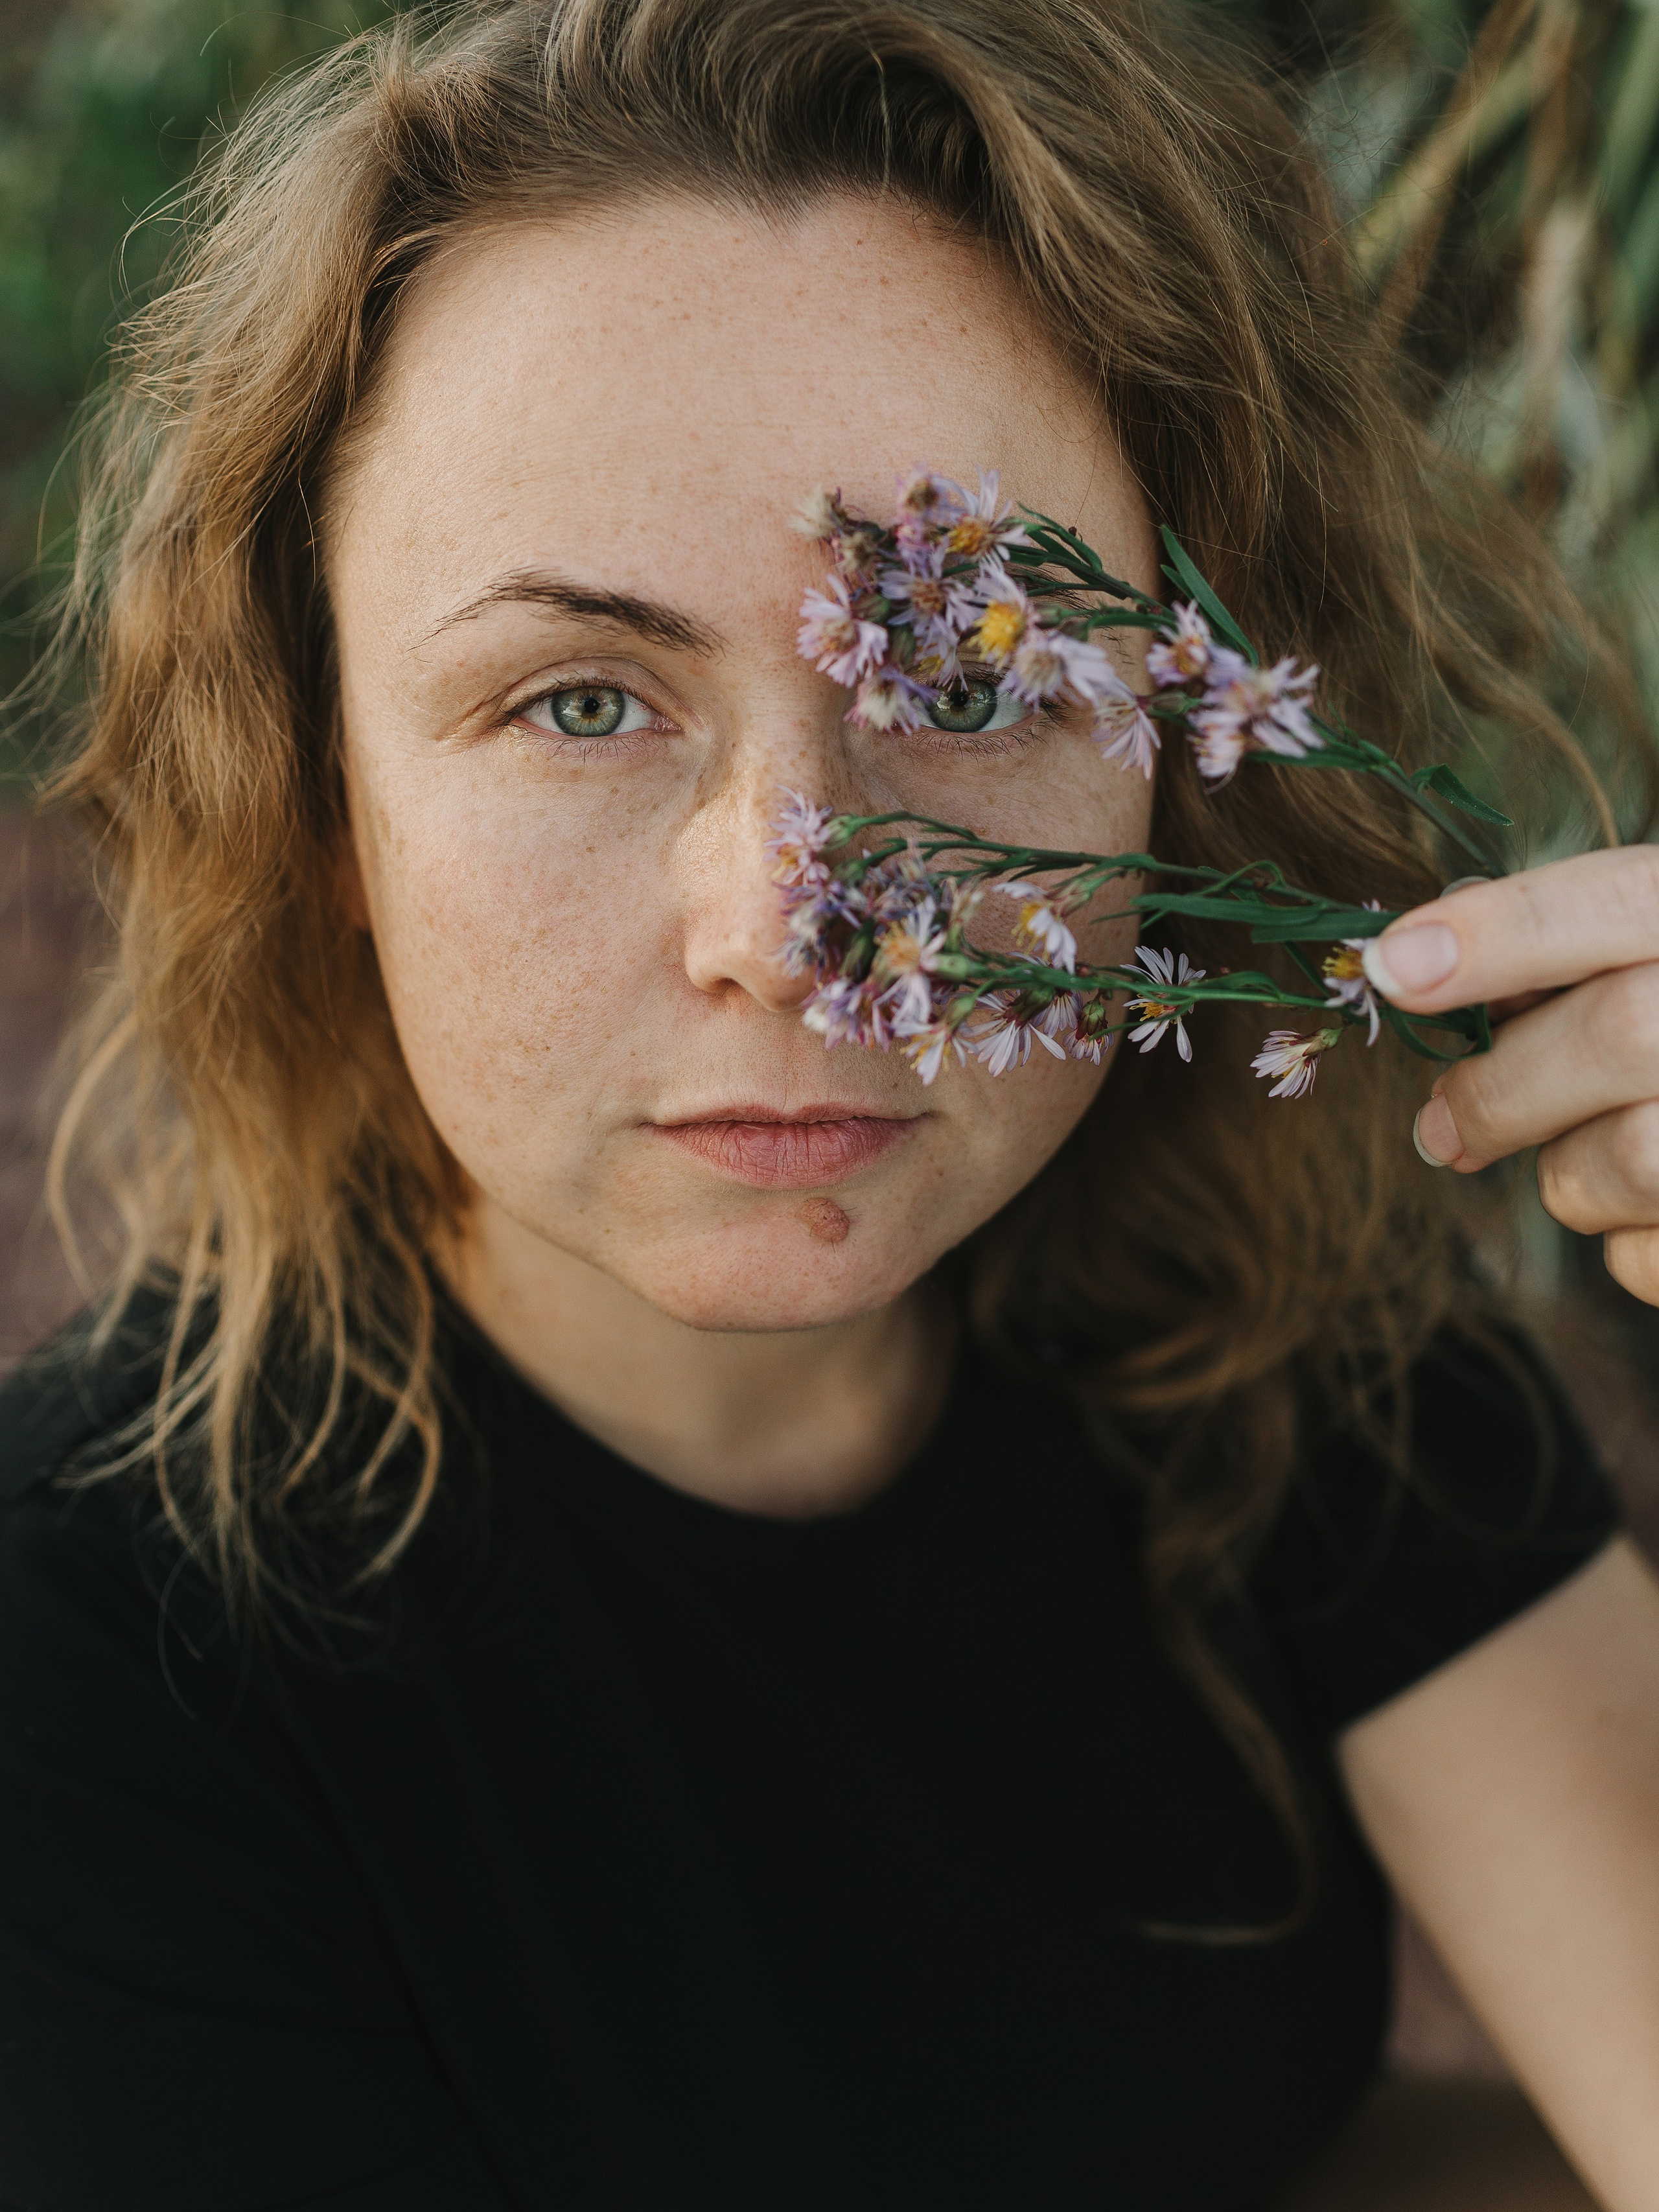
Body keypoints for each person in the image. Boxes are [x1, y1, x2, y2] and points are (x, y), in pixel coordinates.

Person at [4, 1, 1658, 2206]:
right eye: (579, 699)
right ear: (321, 799)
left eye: (969, 681)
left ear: (1185, 738)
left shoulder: (1297, 1375)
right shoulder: (89, 1673)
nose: (794, 927)